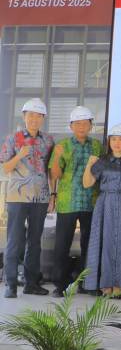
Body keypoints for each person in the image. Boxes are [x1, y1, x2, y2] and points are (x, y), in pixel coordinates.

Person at [0, 98, 54, 298]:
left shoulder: (48, 140)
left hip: (40, 198)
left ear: (43, 118)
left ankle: (31, 283)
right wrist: (19, 155)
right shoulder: (12, 139)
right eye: (30, 115)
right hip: (17, 197)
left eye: (38, 116)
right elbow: (5, 168)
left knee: (35, 241)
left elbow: (51, 170)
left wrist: (53, 195)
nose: (34, 119)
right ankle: (11, 284)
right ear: (24, 116)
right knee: (14, 241)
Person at [48, 106, 103, 297]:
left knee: (89, 245)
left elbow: (102, 172)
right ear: (71, 126)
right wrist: (57, 156)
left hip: (91, 201)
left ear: (91, 126)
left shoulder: (97, 146)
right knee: (62, 245)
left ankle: (87, 283)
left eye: (85, 123)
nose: (81, 127)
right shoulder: (62, 145)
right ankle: (60, 285)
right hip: (67, 202)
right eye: (77, 123)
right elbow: (55, 174)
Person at [83, 124, 121, 298]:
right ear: (109, 142)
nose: (117, 143)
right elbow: (87, 183)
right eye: (113, 139)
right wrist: (89, 164)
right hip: (105, 203)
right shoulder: (102, 161)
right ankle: (105, 284)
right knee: (105, 241)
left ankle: (119, 285)